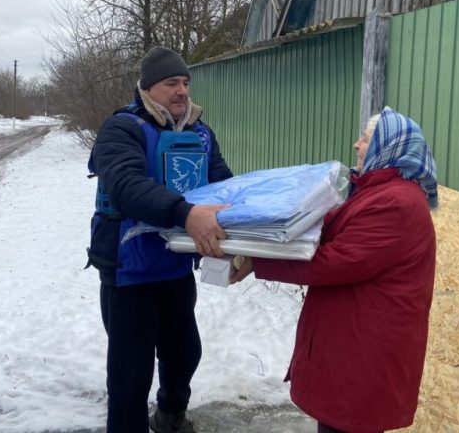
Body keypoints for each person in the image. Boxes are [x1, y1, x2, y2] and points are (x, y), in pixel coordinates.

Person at [231, 106, 438, 433]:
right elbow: (325, 227)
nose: (356, 145)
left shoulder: (395, 204)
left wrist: (259, 259)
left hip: (363, 356)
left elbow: (332, 262)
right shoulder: (373, 191)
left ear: (389, 147)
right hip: (353, 343)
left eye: (366, 139)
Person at [87, 45, 233, 433]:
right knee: (130, 377)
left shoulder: (200, 133)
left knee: (184, 353)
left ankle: (170, 415)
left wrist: (240, 239)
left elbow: (222, 186)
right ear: (148, 88)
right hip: (129, 271)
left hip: (175, 267)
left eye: (185, 82)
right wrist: (186, 214)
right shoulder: (121, 128)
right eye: (171, 83)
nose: (182, 90)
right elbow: (126, 186)